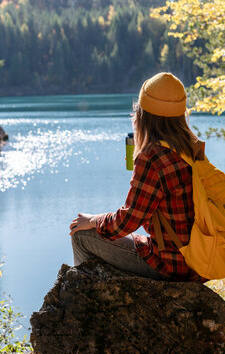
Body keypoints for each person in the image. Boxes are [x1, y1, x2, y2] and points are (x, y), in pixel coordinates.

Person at [69, 72, 205, 282]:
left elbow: (127, 222)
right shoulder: (191, 147)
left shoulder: (152, 157)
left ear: (143, 114)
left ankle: (84, 299)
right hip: (198, 259)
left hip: (170, 263)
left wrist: (94, 220)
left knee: (81, 235)